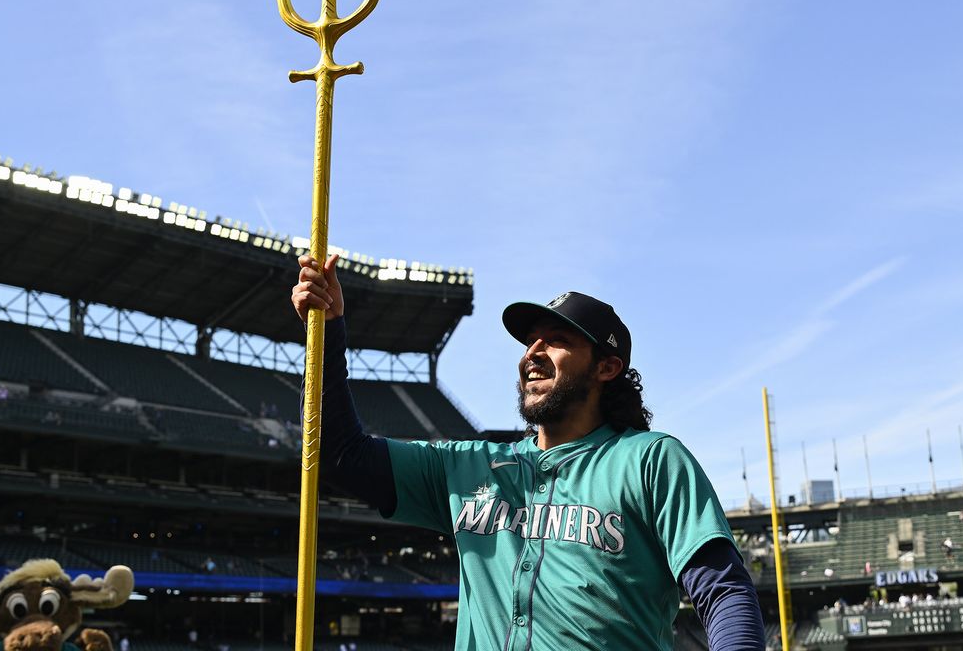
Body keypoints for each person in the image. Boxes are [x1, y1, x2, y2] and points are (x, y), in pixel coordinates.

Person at [291, 255, 765, 651]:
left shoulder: (649, 460)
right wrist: (327, 331)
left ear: (607, 366)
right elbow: (340, 454)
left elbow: (723, 592)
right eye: (530, 341)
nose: (532, 353)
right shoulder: (468, 467)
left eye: (557, 341)